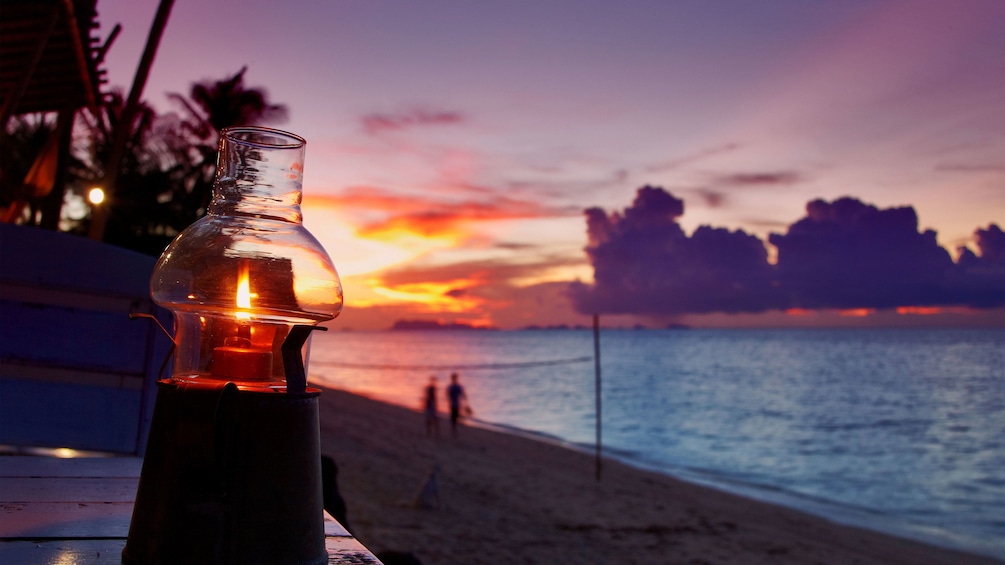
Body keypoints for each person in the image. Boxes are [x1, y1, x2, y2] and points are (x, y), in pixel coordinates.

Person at [446, 372, 469, 438]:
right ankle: (454, 430)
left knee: (454, 418)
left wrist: (465, 401)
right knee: (454, 417)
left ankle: (454, 430)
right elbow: (463, 395)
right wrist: (466, 401)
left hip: (454, 404)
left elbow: (448, 395)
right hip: (455, 404)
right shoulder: (457, 386)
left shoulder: (451, 386)